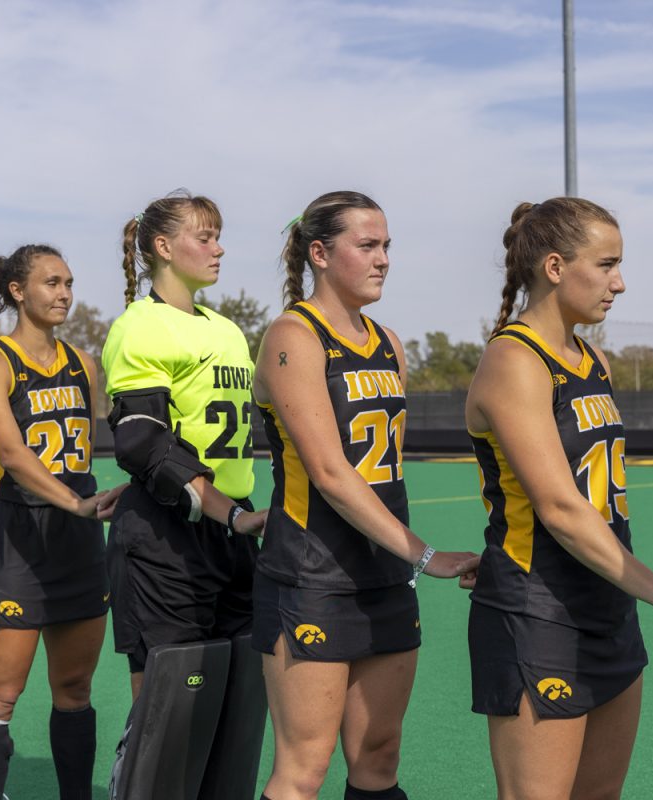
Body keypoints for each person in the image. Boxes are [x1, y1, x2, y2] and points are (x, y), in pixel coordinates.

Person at [463, 198, 653, 799]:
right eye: (606, 264)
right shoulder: (513, 358)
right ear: (555, 266)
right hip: (537, 612)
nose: (620, 282)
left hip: (608, 609)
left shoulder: (594, 361)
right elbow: (557, 508)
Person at [252, 190, 480, 800]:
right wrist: (425, 554)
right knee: (305, 766)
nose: (383, 260)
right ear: (321, 253)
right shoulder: (292, 337)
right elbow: (329, 472)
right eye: (368, 245)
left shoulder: (389, 343)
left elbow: (385, 470)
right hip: (311, 576)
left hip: (383, 574)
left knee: (378, 757)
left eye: (386, 247)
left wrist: (403, 559)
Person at [101, 193, 268, 794]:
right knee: (166, 720)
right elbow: (143, 442)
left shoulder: (226, 330)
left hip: (230, 539)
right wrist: (228, 511)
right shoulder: (138, 325)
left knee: (236, 710)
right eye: (205, 236)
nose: (219, 247)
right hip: (167, 540)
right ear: (163, 248)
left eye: (219, 235)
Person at [0, 244, 119, 800]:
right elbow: (11, 454)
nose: (64, 293)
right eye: (51, 282)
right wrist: (74, 503)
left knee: (74, 688)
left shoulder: (83, 363)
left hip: (77, 541)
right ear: (17, 291)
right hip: (19, 539)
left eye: (69, 282)